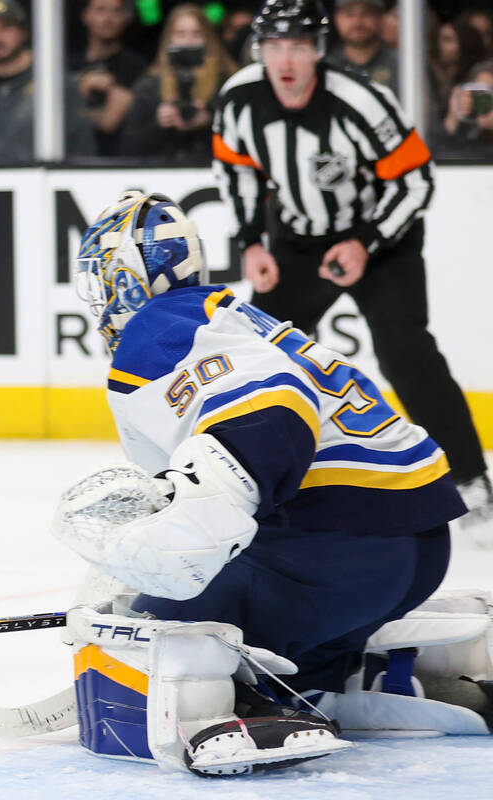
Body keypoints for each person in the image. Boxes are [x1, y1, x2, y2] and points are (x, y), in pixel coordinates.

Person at [55, 190, 490, 776]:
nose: (100, 299)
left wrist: (196, 518)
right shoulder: (227, 316)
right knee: (243, 614)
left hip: (344, 550)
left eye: (101, 280)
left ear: (128, 279)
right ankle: (357, 676)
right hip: (411, 545)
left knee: (156, 616)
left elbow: (274, 406)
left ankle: (223, 709)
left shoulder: (158, 328)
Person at [212, 0, 493, 539]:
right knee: (257, 357)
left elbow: (415, 180)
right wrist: (252, 242)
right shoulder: (240, 100)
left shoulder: (360, 101)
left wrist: (366, 242)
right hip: (297, 241)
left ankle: (470, 478)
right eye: (274, 46)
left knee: (406, 353)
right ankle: (248, 480)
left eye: (297, 46)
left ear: (318, 50)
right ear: (259, 50)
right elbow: (237, 168)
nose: (285, 60)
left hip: (382, 240)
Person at [0, 0, 94, 163]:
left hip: (39, 183)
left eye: (6, 27)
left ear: (24, 32)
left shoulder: (51, 83)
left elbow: (82, 148)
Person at [119, 4, 237, 163]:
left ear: (208, 39)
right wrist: (157, 123)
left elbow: (241, 140)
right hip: (163, 170)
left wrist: (209, 122)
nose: (188, 41)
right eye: (180, 34)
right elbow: (127, 148)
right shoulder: (149, 86)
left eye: (197, 34)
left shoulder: (228, 83)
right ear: (169, 39)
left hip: (210, 169)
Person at [71, 0, 148, 156]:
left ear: (125, 18)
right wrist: (80, 87)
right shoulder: (67, 64)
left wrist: (74, 108)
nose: (108, 18)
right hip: (72, 155)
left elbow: (109, 122)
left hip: (115, 159)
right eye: (101, 10)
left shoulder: (135, 65)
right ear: (86, 16)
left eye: (115, 11)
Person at [325, 0, 399, 95]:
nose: (357, 22)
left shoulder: (403, 67)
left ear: (381, 17)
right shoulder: (326, 69)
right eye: (349, 14)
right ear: (336, 18)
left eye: (366, 13)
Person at [435, 59, 493, 157]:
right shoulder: (464, 131)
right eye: (478, 92)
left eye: (489, 92)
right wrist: (452, 119)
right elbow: (437, 156)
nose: (484, 99)